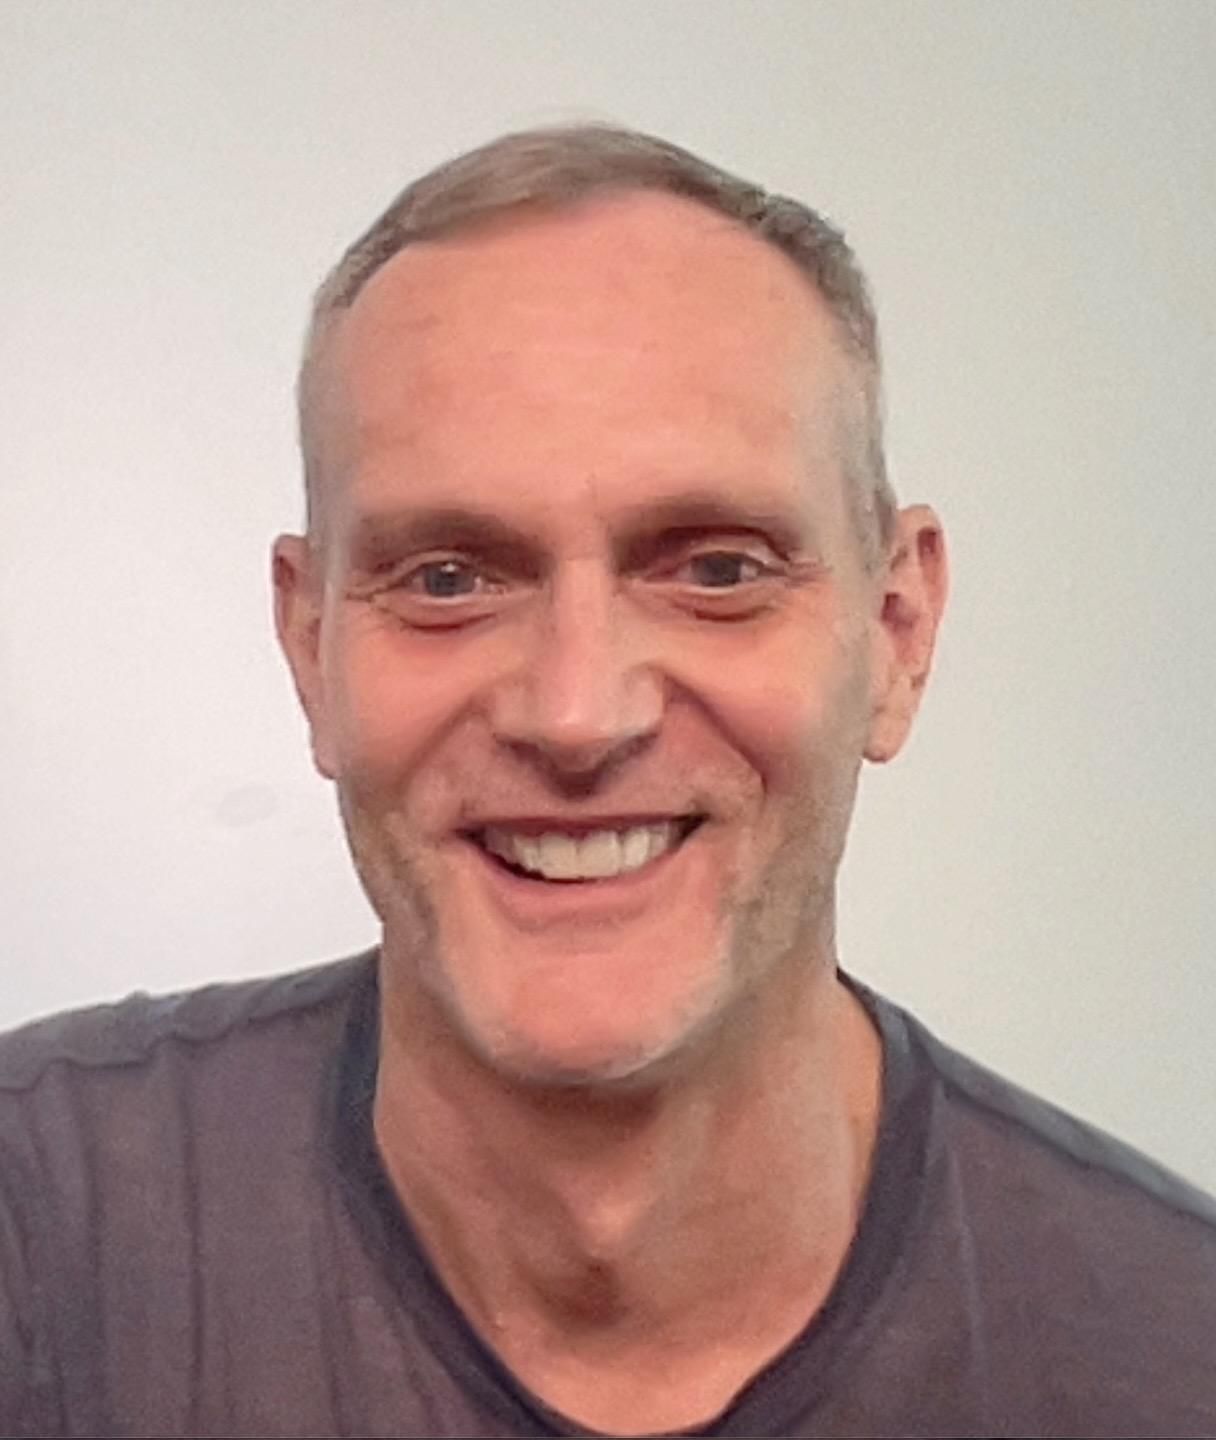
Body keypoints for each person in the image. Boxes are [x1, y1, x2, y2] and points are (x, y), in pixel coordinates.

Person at [1, 124, 1213, 1440]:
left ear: (898, 633)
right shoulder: (40, 1240)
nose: (577, 715)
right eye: (450, 578)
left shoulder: (1173, 1354)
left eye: (716, 569)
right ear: (310, 650)